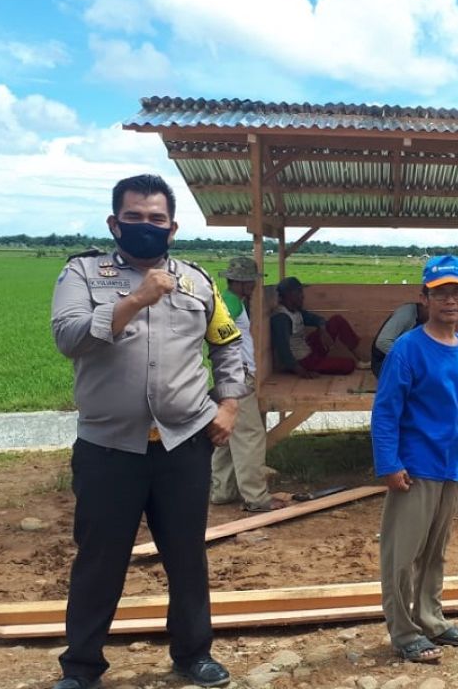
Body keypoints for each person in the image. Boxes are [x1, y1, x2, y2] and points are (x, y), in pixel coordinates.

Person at [49, 174, 247, 689]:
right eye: (134, 217)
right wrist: (134, 299)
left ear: (172, 227)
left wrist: (228, 404)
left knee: (186, 556)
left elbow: (227, 344)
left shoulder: (197, 282)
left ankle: (193, 654)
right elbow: (69, 337)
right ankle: (82, 667)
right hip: (108, 446)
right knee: (100, 560)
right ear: (115, 223)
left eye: (156, 219)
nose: (145, 226)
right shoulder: (82, 273)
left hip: (184, 443)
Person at [372, 255, 458, 663]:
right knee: (402, 555)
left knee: (436, 551)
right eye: (441, 293)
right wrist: (389, 463)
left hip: (451, 465)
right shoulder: (408, 349)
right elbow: (386, 411)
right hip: (416, 466)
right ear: (425, 298)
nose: (450, 300)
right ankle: (404, 632)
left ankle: (432, 619)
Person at [210, 256, 286, 512]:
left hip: (227, 377)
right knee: (250, 435)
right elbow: (215, 334)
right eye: (252, 282)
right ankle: (256, 498)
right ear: (242, 283)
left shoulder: (228, 300)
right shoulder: (231, 303)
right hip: (238, 378)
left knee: (227, 434)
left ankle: (222, 490)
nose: (254, 286)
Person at [271, 276, 369, 377]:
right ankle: (319, 364)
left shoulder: (296, 310)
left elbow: (317, 319)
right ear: (289, 295)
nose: (303, 296)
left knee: (337, 320)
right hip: (303, 362)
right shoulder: (281, 318)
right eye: (299, 292)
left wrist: (323, 330)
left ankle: (362, 359)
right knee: (349, 365)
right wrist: (302, 372)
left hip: (308, 350)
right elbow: (284, 351)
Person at [370, 299, 428, 379]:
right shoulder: (405, 314)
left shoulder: (438, 318)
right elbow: (382, 342)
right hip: (386, 363)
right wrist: (412, 358)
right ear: (425, 301)